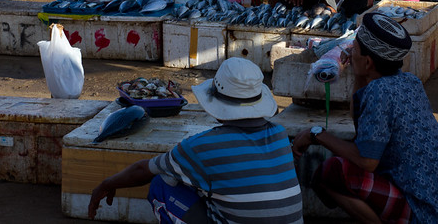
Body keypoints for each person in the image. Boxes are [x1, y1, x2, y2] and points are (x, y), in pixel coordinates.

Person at [292, 12, 438, 223]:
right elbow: (361, 123)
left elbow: (367, 161)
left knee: (333, 171)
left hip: (423, 212)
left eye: (353, 49)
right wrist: (358, 73)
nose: (349, 53)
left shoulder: (379, 92)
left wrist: (315, 134)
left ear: (368, 62)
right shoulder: (410, 82)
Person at [88, 57, 304, 224]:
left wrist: (107, 183)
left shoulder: (203, 146)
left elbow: (143, 170)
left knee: (161, 184)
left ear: (217, 105)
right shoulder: (279, 133)